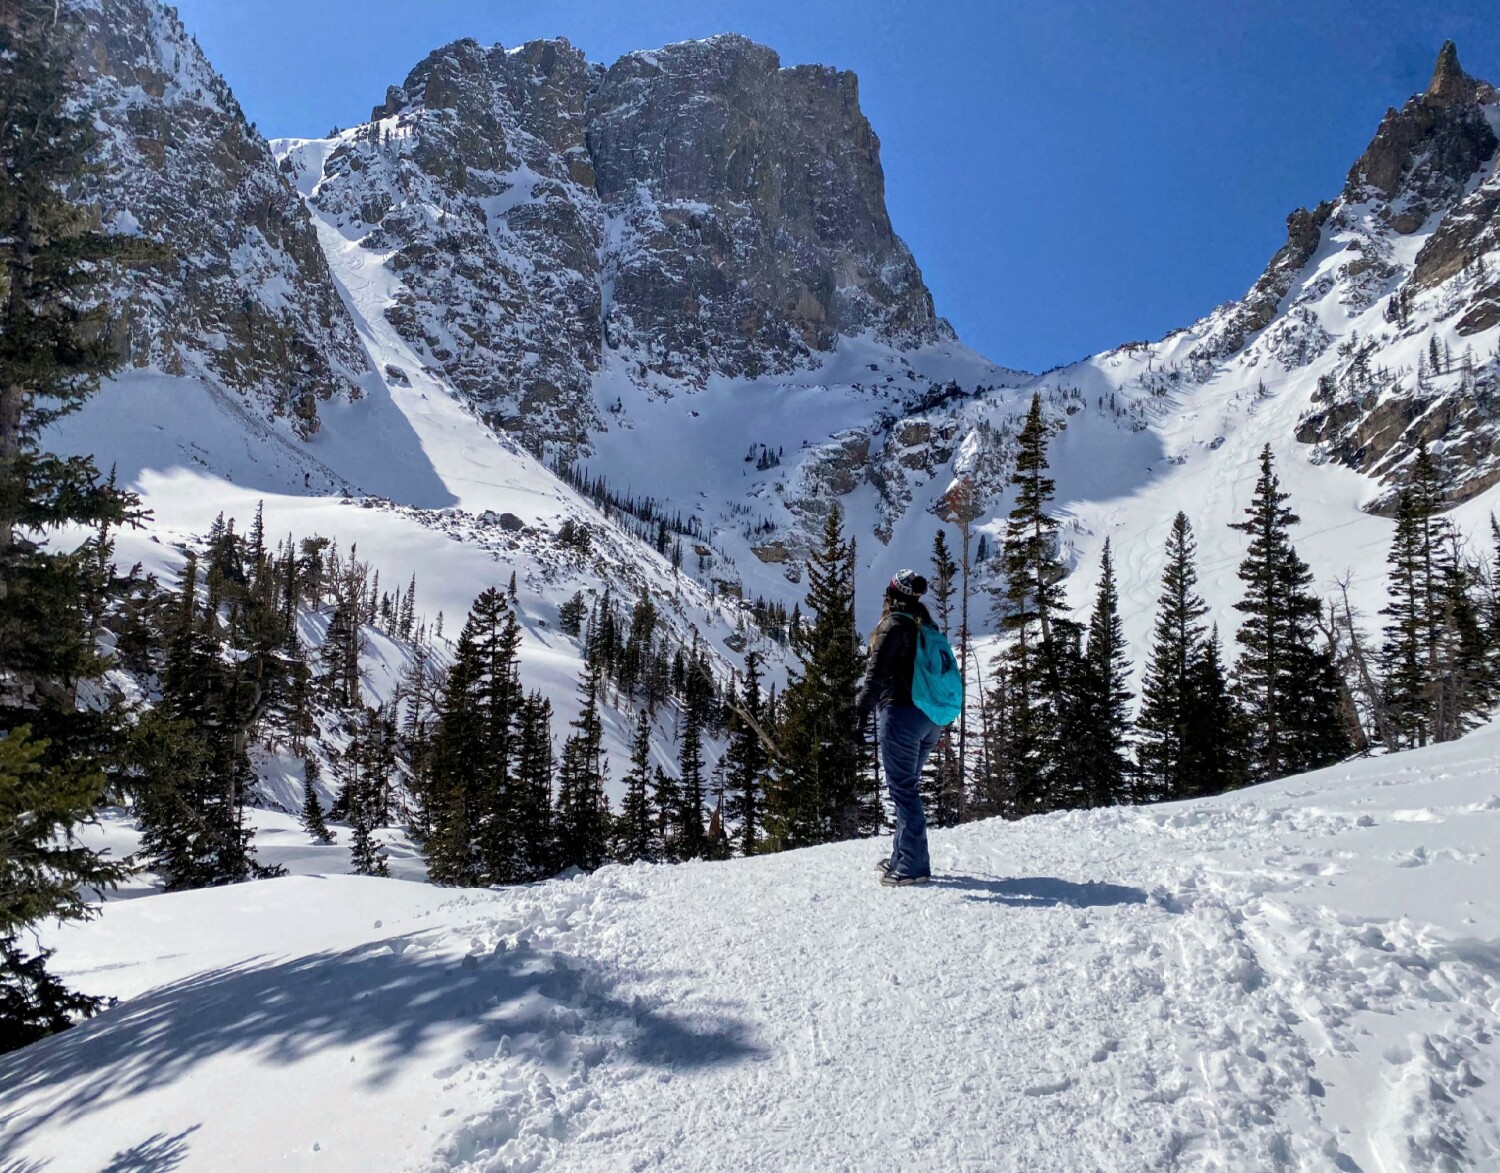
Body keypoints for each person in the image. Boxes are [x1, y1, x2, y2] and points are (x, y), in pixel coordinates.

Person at [855, 569, 942, 887]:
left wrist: (862, 709)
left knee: (904, 790)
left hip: (902, 715)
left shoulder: (894, 625)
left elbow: (877, 672)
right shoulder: (925, 624)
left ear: (892, 595)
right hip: (930, 718)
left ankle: (914, 866)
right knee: (908, 786)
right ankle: (901, 856)